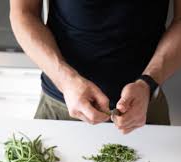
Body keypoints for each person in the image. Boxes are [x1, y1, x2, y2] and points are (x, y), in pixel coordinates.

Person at [10, 0, 181, 134]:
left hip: (145, 110)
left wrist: (148, 82)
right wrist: (66, 80)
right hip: (61, 108)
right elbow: (23, 13)